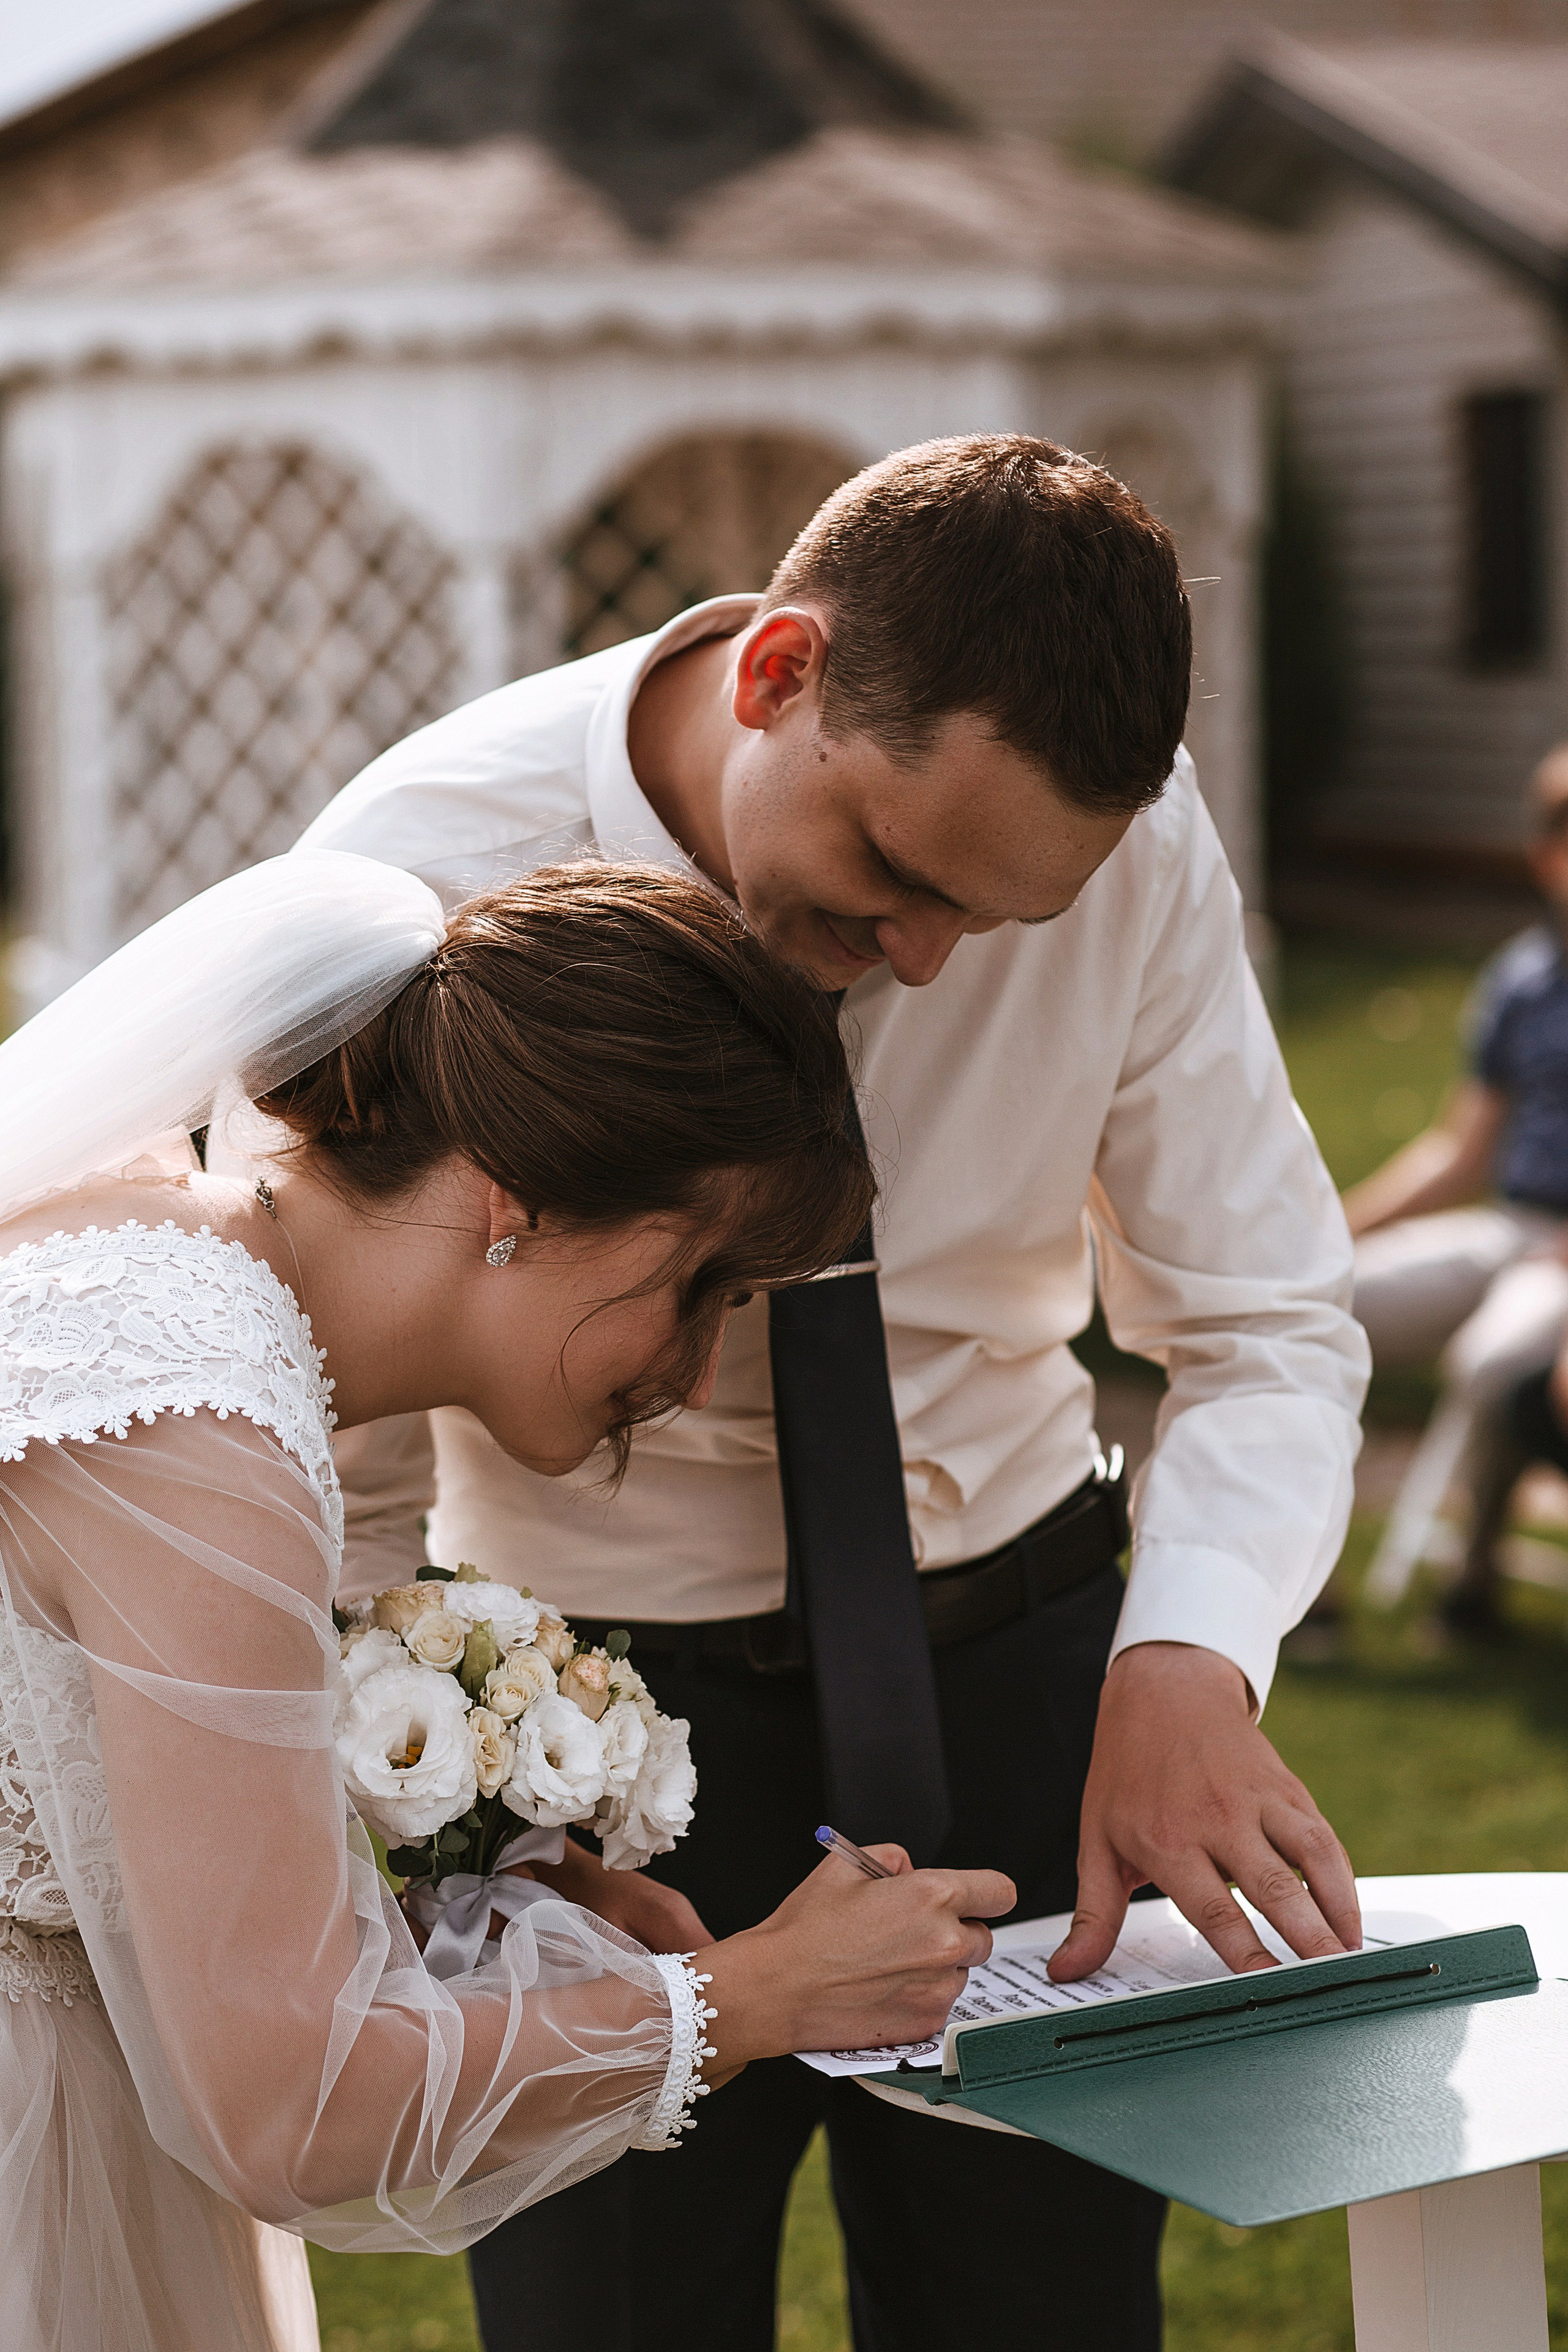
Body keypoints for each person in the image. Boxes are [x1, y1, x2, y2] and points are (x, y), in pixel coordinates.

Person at [298, 433, 1370, 2352]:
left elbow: (1269, 1310)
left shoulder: (1126, 839)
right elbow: (338, 1412)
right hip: (587, 1745)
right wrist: (475, 1821)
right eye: (891, 871)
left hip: (1045, 1694)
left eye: (1002, 921)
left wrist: (1191, 1657)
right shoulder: (418, 871)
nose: (933, 963)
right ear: (781, 671)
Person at [0, 852, 1013, 2352]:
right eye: (701, 1284)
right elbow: (291, 2111)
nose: (692, 1371)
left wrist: (445, 1907)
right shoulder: (196, 1424)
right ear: (516, 1205)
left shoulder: (154, 1245)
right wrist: (756, 1995)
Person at [1346, 743, 1568, 1633]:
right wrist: (1334, 1230)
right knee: (1330, 1300)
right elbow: (1457, 1151)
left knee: (1490, 1357)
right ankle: (1298, 1583)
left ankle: (1471, 1583)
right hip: (1510, 1225)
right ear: (1548, 857)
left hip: (1562, 1257)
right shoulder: (1520, 981)